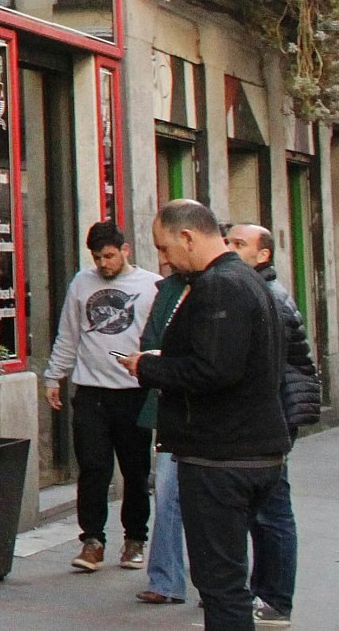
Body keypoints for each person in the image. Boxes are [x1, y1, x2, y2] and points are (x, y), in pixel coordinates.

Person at [123, 201, 288, 631]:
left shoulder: (220, 286)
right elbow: (229, 359)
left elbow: (215, 369)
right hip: (247, 451)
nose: (163, 260)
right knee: (227, 583)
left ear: (188, 238)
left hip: (222, 457)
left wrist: (148, 367)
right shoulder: (247, 282)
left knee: (222, 586)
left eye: (164, 247)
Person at [44, 220, 160, 571]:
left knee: (135, 471)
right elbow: (69, 334)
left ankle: (135, 539)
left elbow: (159, 339)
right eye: (97, 258)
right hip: (92, 392)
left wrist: (155, 371)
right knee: (93, 468)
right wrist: (54, 376)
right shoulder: (82, 283)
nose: (103, 264)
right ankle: (92, 540)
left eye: (109, 256)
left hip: (134, 392)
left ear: (124, 251)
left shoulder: (151, 285)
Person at [224, 223, 321, 628]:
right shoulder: (257, 291)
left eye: (238, 244)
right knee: (264, 510)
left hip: (274, 417)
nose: (229, 249)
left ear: (263, 255)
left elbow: (272, 366)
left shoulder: (268, 298)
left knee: (271, 511)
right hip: (272, 415)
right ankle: (265, 593)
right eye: (227, 241)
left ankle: (276, 599)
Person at [134, 259, 190, 605]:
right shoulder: (167, 290)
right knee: (167, 492)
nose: (165, 258)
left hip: (214, 416)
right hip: (171, 408)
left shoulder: (224, 289)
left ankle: (218, 579)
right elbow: (150, 337)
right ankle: (166, 578)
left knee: (213, 501)